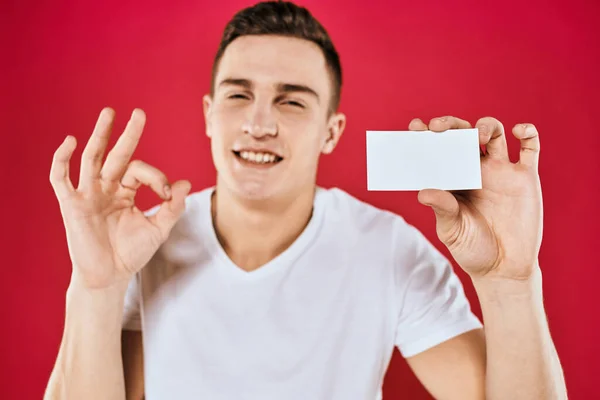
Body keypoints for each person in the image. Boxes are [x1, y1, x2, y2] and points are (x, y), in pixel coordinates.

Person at [44, 1, 567, 399]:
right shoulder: (138, 246)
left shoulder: (388, 250)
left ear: (331, 130)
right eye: (238, 94)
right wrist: (95, 287)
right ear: (208, 114)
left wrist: (510, 281)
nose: (259, 123)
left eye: (292, 100)